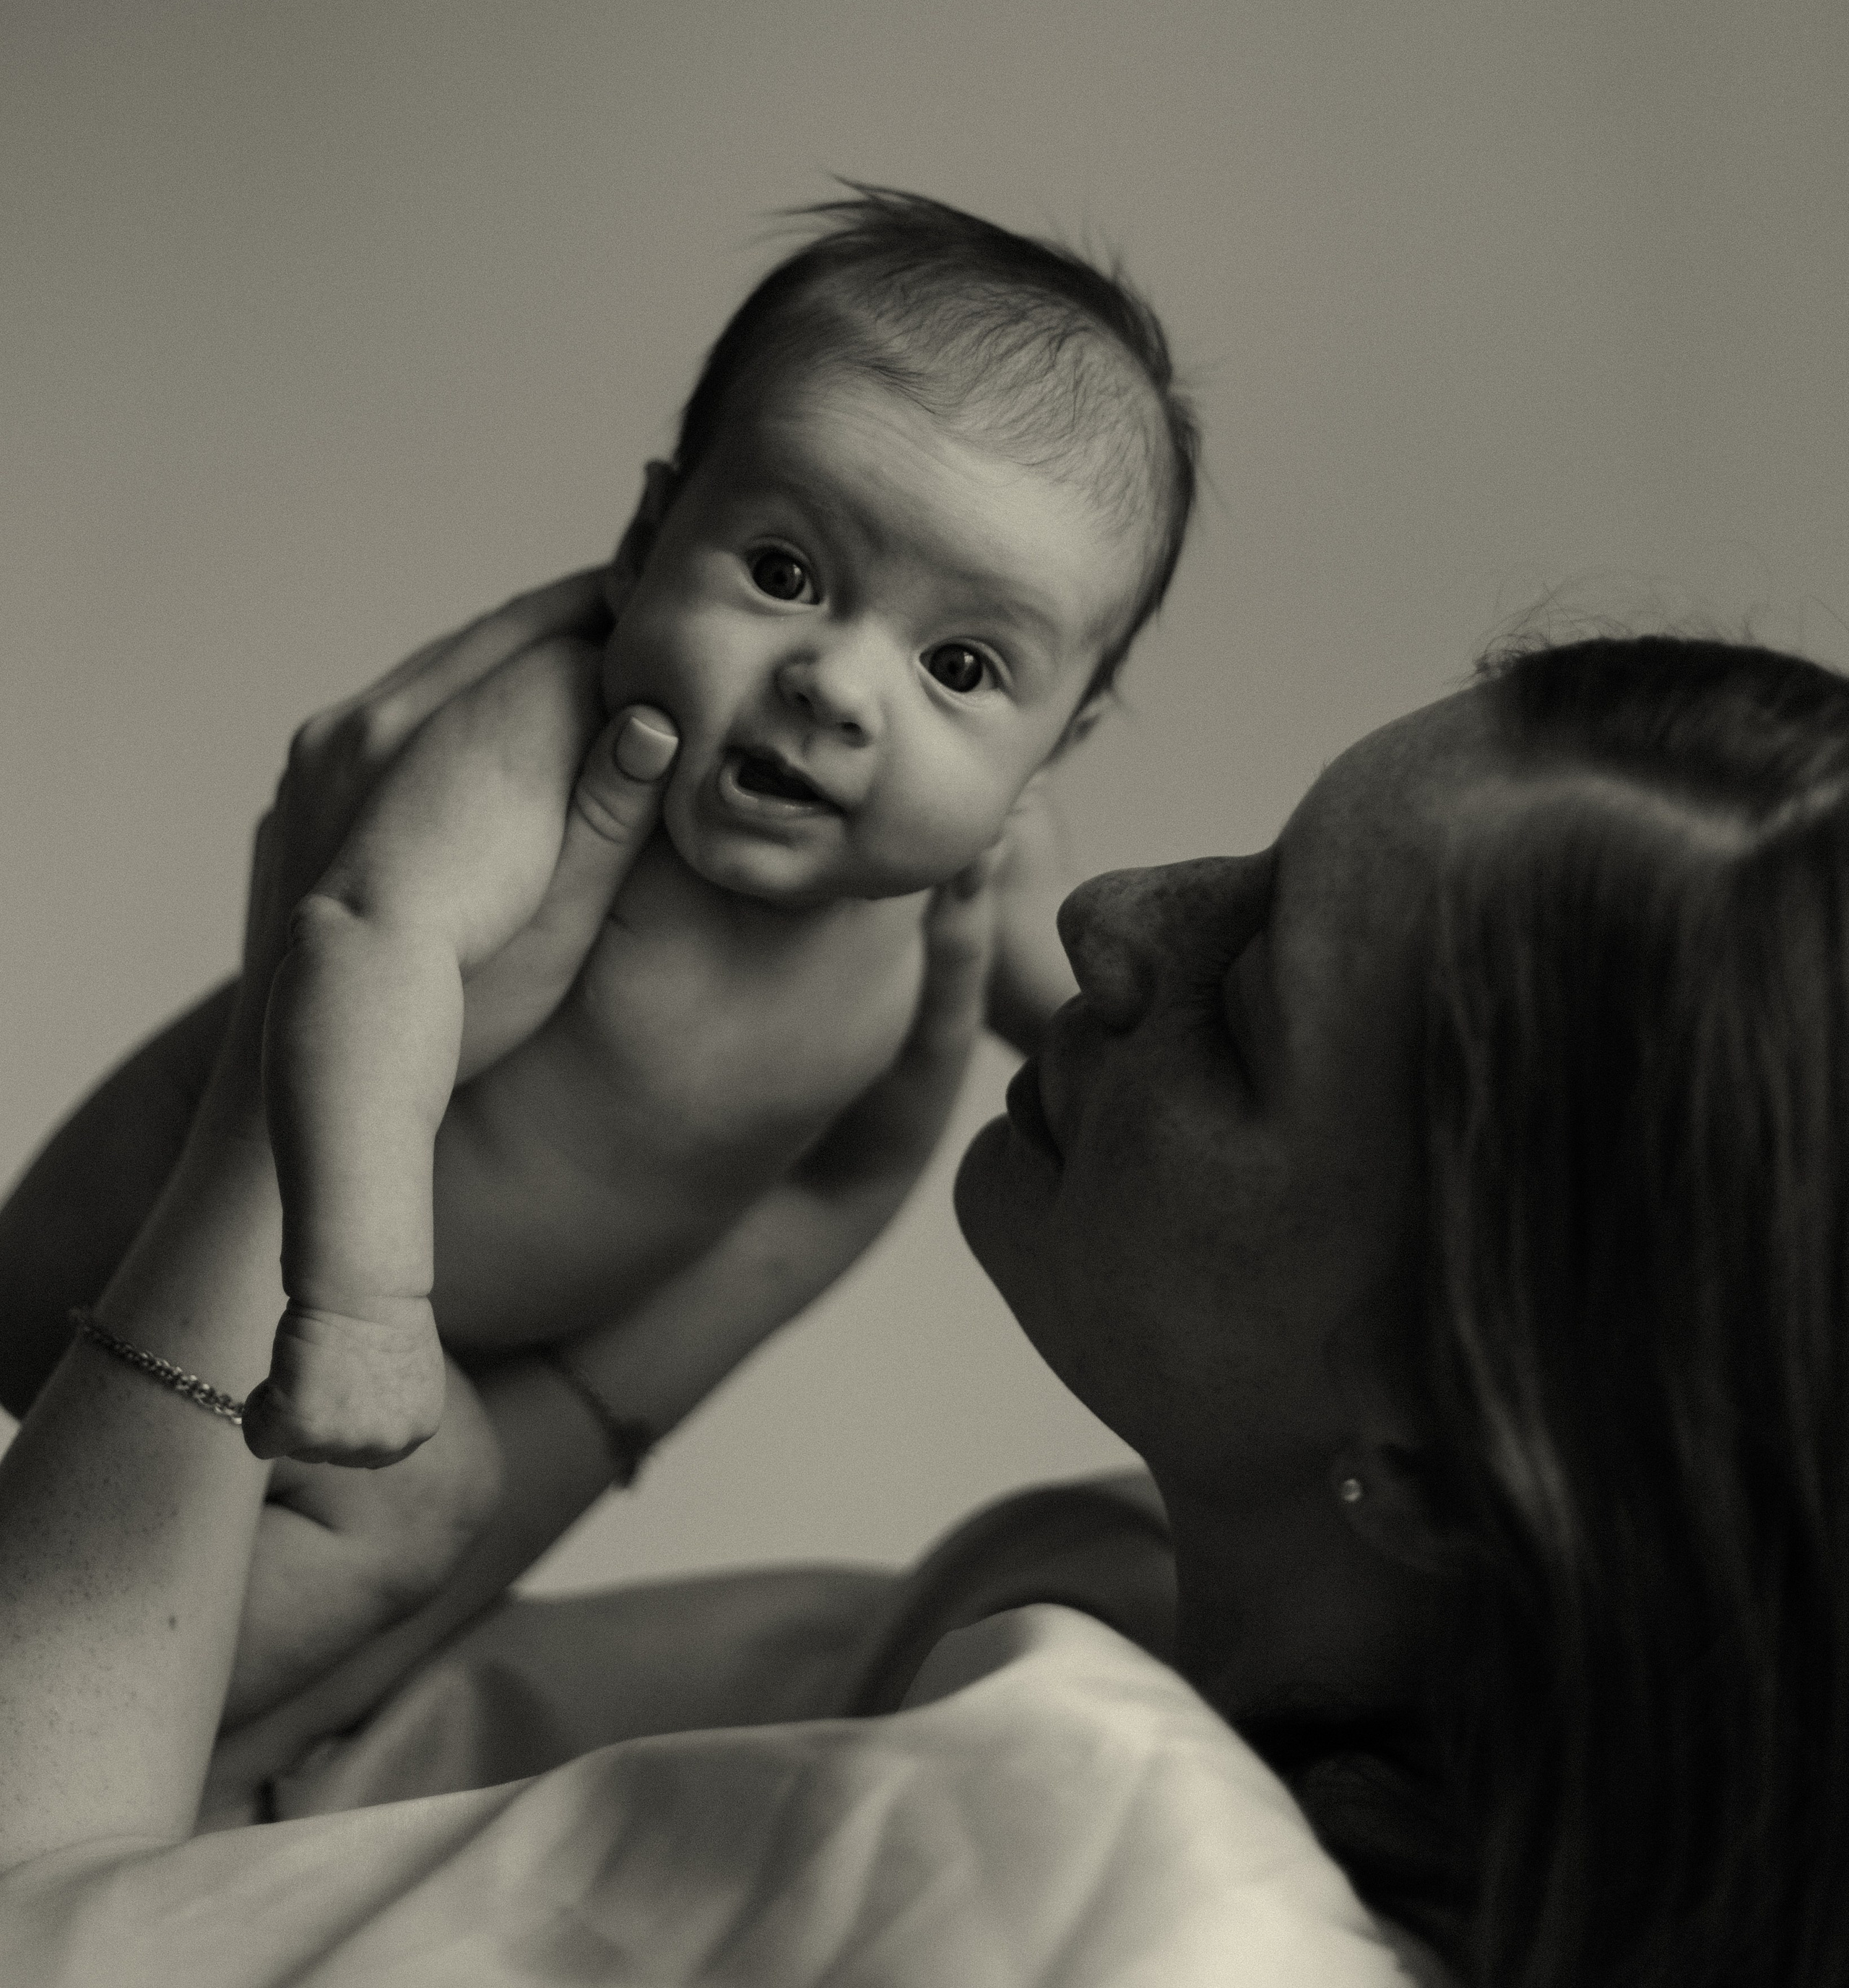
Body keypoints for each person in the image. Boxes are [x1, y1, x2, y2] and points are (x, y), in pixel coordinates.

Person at [5, 590, 1849, 1988]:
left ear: (1453, 1465)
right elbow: (320, 1767)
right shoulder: (1148, 1607)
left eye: (1250, 1002)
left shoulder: (1092, 1862)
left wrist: (316, 1048)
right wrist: (731, 1288)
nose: (1112, 914)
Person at [103, 186, 1200, 1472]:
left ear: (1057, 743)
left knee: (431, 1528)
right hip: (196, 1262)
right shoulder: (565, 733)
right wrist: (362, 1306)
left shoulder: (982, 864)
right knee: (421, 1511)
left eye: (958, 665)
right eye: (783, 575)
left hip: (436, 1370)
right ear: (646, 539)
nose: (836, 686)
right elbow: (369, 935)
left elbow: (1117, 1045)